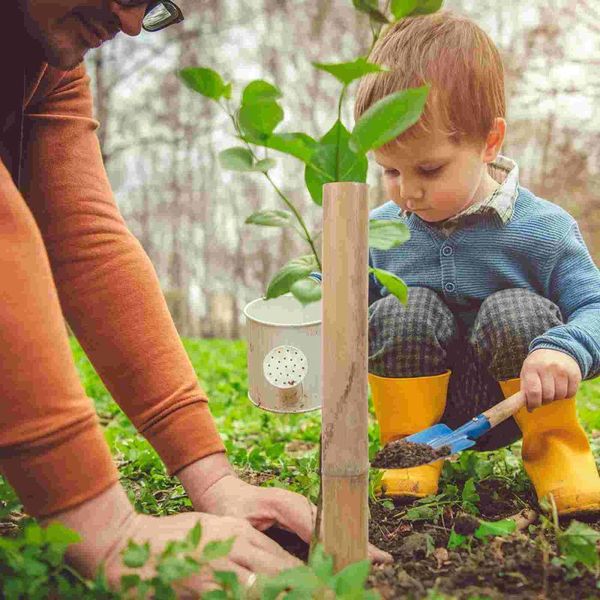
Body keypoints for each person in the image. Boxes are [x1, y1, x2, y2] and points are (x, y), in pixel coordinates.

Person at [0, 0, 391, 593]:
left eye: (155, 4)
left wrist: (214, 483)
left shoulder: (47, 64)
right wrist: (104, 527)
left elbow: (84, 241)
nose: (132, 24)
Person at [355, 10, 600, 517]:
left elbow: (594, 306)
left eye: (428, 169)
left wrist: (567, 350)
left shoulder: (543, 228)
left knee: (515, 310)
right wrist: (315, 293)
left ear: (490, 142)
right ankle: (412, 453)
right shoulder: (381, 228)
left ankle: (556, 451)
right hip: (423, 400)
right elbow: (340, 294)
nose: (408, 193)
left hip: (518, 402)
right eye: (390, 172)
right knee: (405, 306)